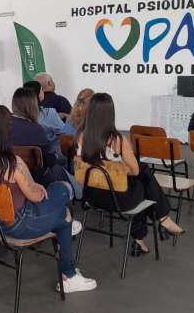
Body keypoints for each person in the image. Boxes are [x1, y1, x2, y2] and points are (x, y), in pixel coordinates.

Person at [0, 105, 96, 293]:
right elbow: (35, 197)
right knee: (63, 191)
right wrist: (38, 188)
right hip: (19, 224)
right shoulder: (11, 164)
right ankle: (68, 275)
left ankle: (69, 266)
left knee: (63, 217)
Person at [77, 93, 184, 255]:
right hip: (117, 200)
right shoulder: (116, 139)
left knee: (141, 179)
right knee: (143, 176)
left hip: (91, 196)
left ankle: (142, 238)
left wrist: (115, 168)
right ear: (110, 113)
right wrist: (121, 168)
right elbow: (135, 170)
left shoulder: (80, 136)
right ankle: (161, 220)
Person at [10, 88, 75, 192]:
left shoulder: (3, 126)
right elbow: (50, 161)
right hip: (38, 178)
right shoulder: (36, 129)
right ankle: (77, 190)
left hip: (11, 175)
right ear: (33, 106)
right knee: (64, 165)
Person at [23, 81, 64, 155]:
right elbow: (65, 132)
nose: (43, 92)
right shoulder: (49, 113)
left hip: (26, 157)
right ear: (39, 95)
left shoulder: (18, 116)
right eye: (41, 90)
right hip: (50, 155)